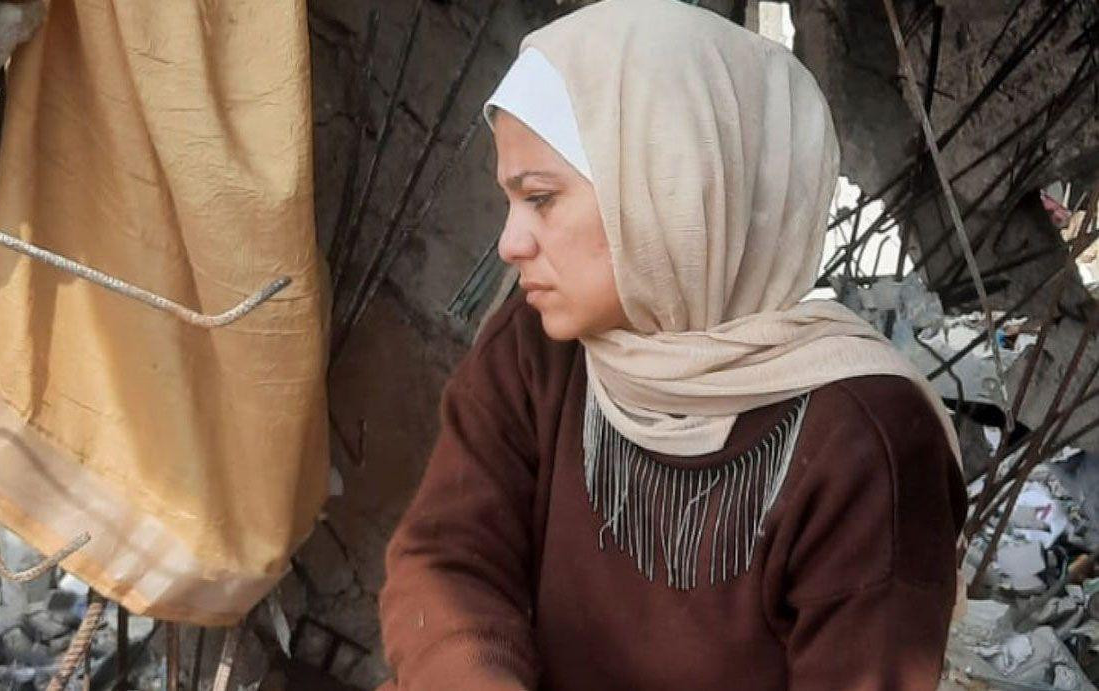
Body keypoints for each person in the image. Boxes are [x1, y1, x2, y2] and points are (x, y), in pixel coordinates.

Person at [379, 1, 966, 688]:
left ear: (670, 187)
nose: (511, 244)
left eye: (540, 198)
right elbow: (447, 561)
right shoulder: (539, 350)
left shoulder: (866, 445)